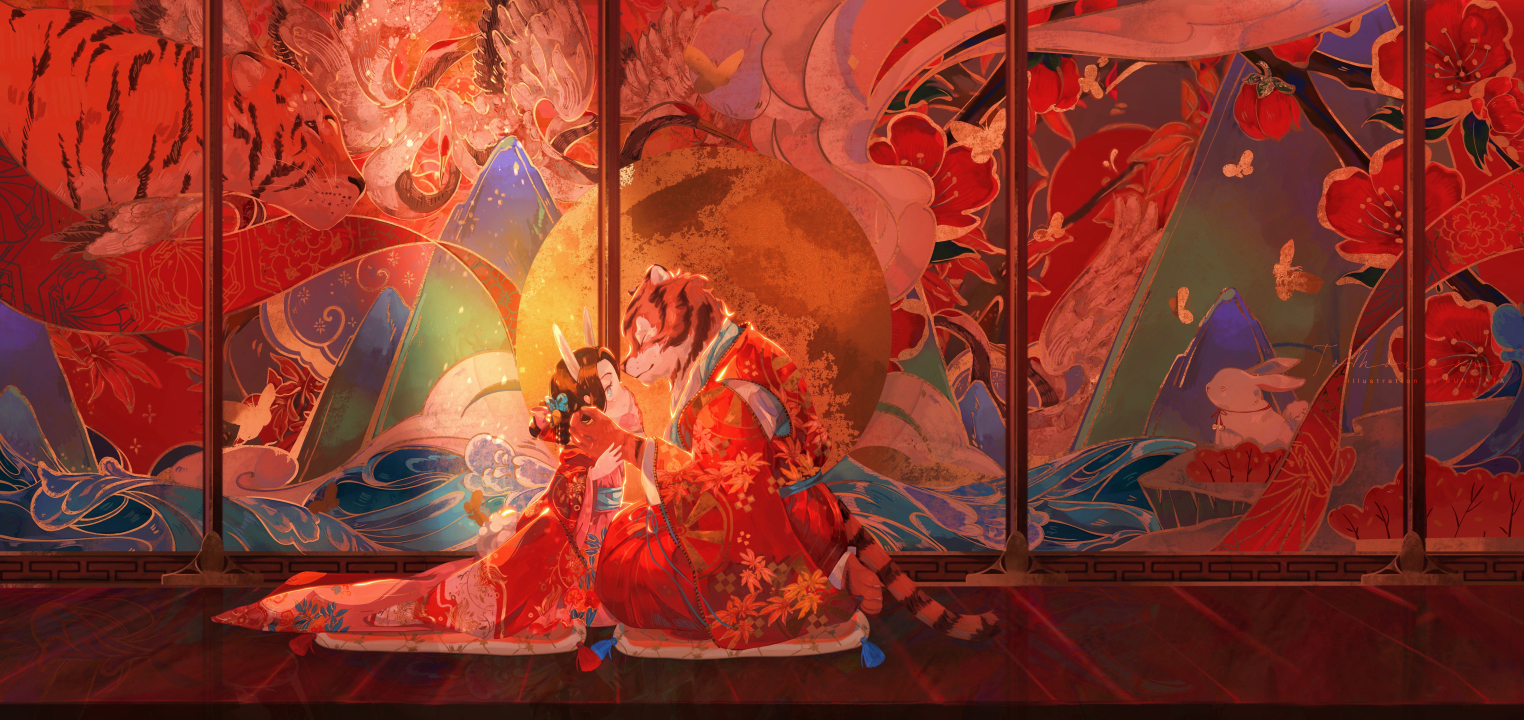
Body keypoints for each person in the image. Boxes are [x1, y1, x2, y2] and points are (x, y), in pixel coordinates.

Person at [213, 331, 644, 655]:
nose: (620, 391)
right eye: (608, 385)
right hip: (567, 549)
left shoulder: (609, 433)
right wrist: (594, 475)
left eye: (615, 382)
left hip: (592, 543)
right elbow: (570, 510)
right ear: (589, 396)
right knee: (439, 601)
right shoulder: (585, 447)